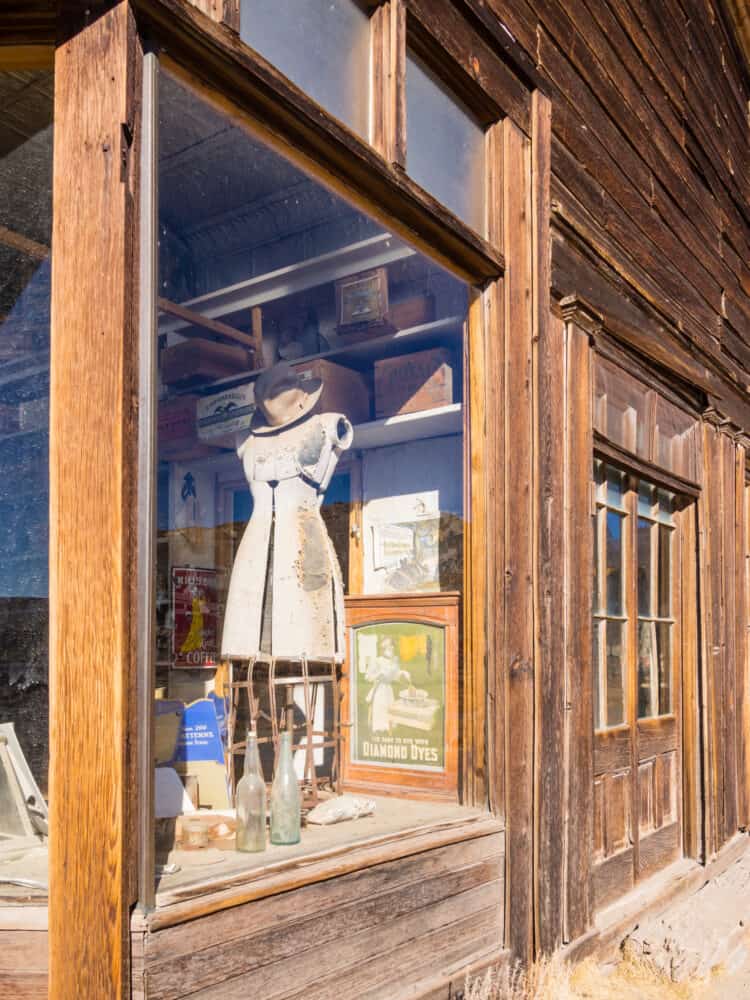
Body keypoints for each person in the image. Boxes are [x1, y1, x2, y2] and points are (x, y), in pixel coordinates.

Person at [365, 635, 411, 733]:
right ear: (382, 648)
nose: (391, 648)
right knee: (381, 709)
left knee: (390, 709)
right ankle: (380, 732)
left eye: (392, 645)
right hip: (379, 689)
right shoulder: (377, 660)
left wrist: (403, 673)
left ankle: (390, 731)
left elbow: (395, 676)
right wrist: (378, 674)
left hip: (389, 689)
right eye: (388, 646)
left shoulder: (394, 660)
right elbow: (368, 677)